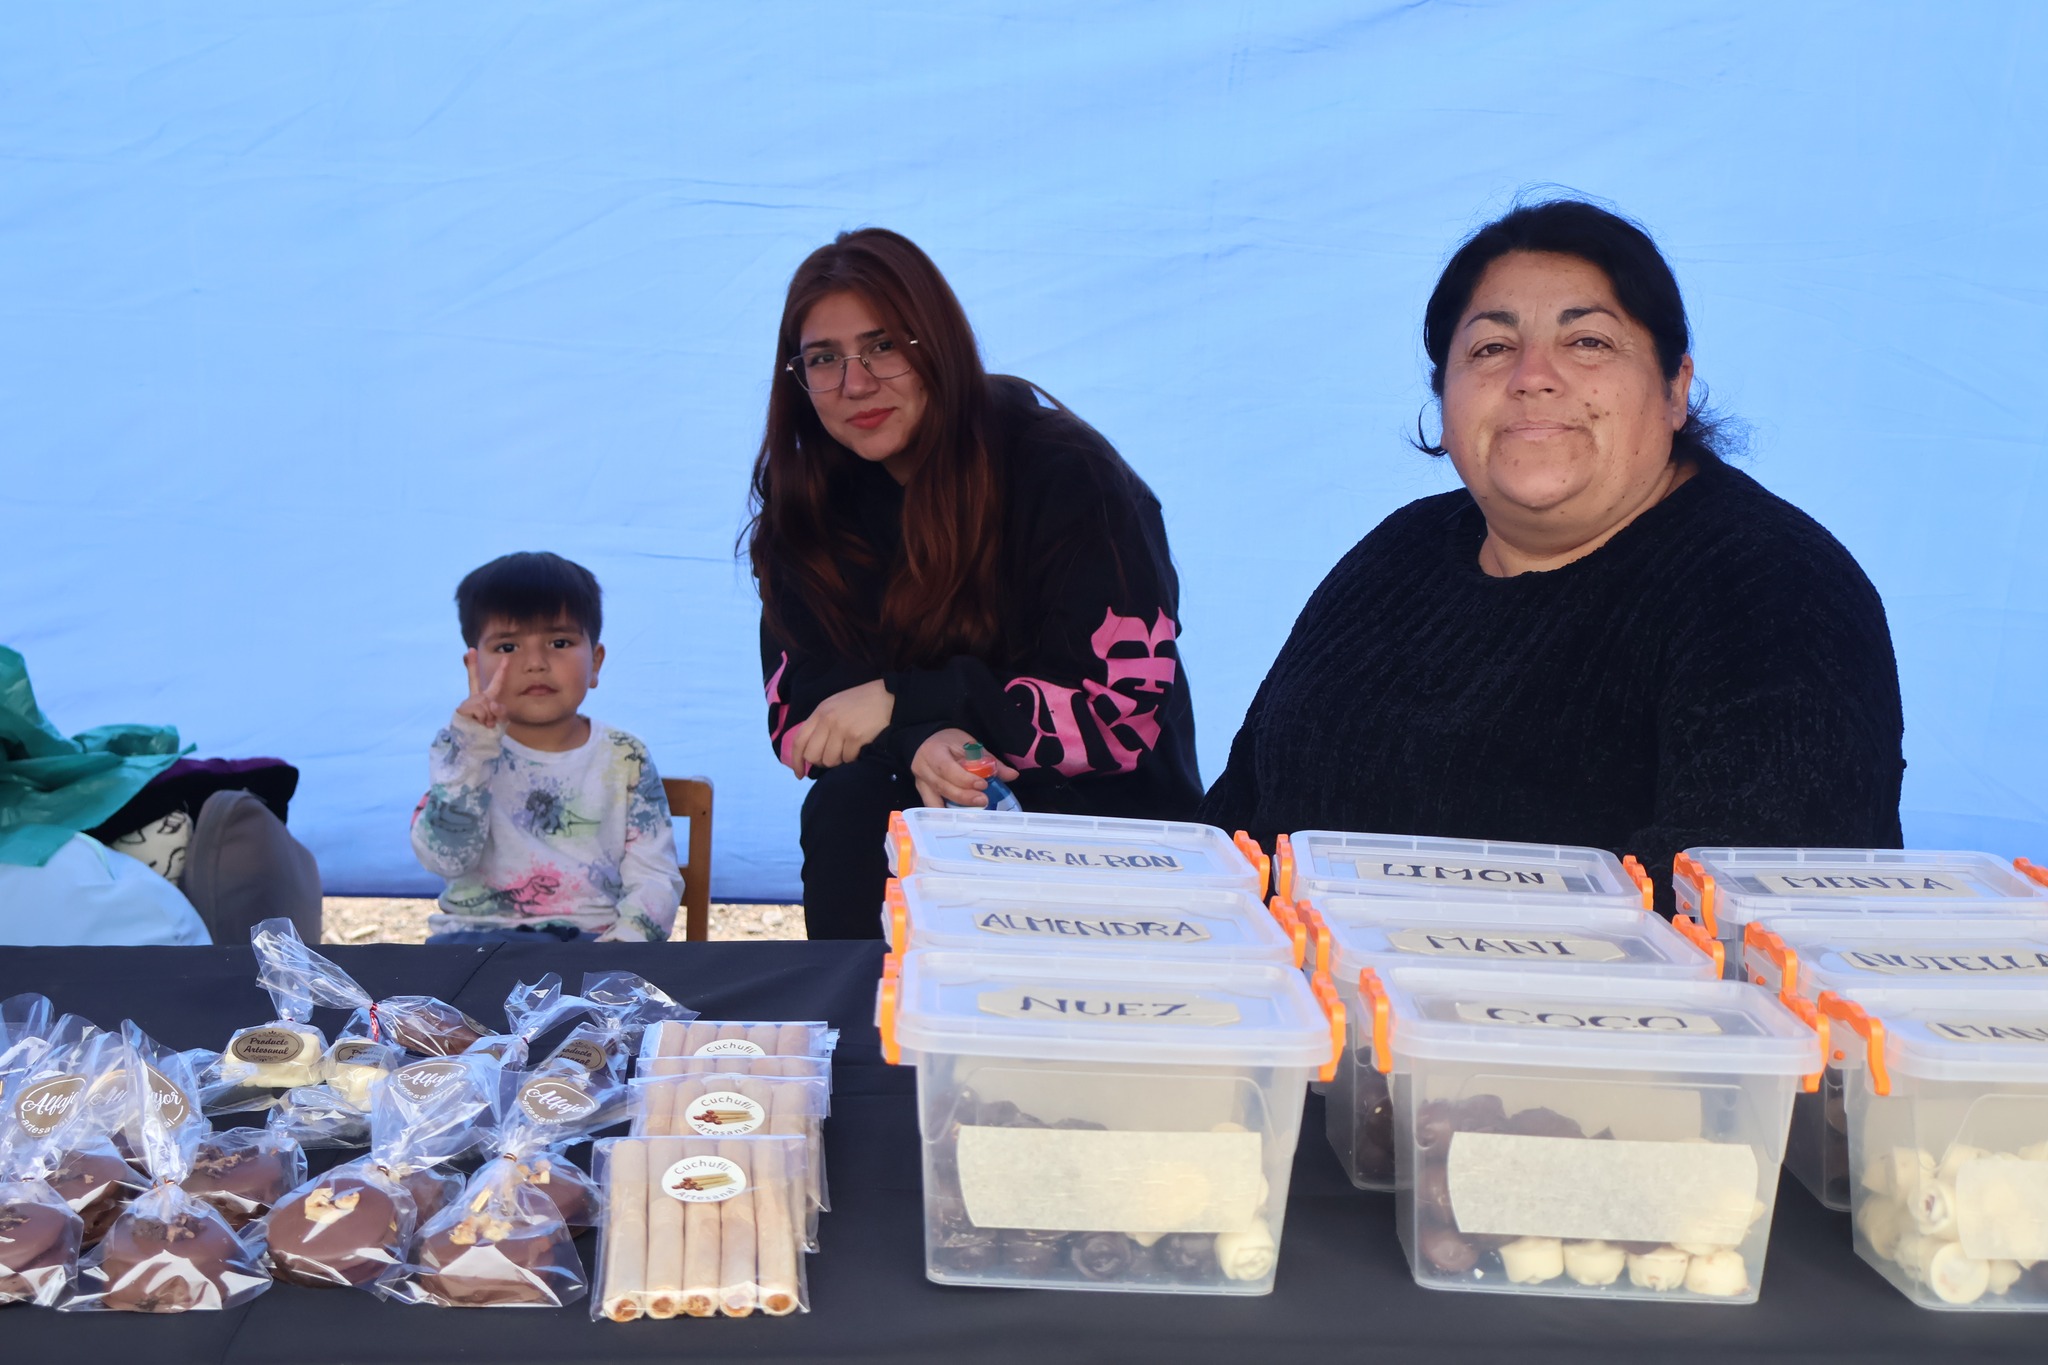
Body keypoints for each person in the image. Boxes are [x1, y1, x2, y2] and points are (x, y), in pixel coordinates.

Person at [1201, 198, 1905, 908]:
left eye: (1588, 342)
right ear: (1443, 398)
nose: (1532, 376)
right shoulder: (1397, 554)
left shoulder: (1777, 591)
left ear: (1675, 389)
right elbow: (1236, 823)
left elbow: (1737, 912)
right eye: (1491, 348)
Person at [747, 228, 1200, 938]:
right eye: (824, 358)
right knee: (849, 804)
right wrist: (919, 737)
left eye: (883, 346)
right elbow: (803, 722)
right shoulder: (807, 501)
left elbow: (1120, 713)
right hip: (911, 807)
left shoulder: (1067, 473)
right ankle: (867, 1009)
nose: (855, 384)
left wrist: (905, 700)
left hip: (1103, 828)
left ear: (938, 342)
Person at [410, 551, 681, 943]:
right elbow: (445, 858)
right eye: (507, 647)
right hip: (472, 942)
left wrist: (622, 949)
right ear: (474, 664)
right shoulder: (460, 748)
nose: (535, 662)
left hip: (593, 945)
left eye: (559, 641)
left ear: (596, 663)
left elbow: (655, 877)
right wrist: (473, 750)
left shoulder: (625, 756)